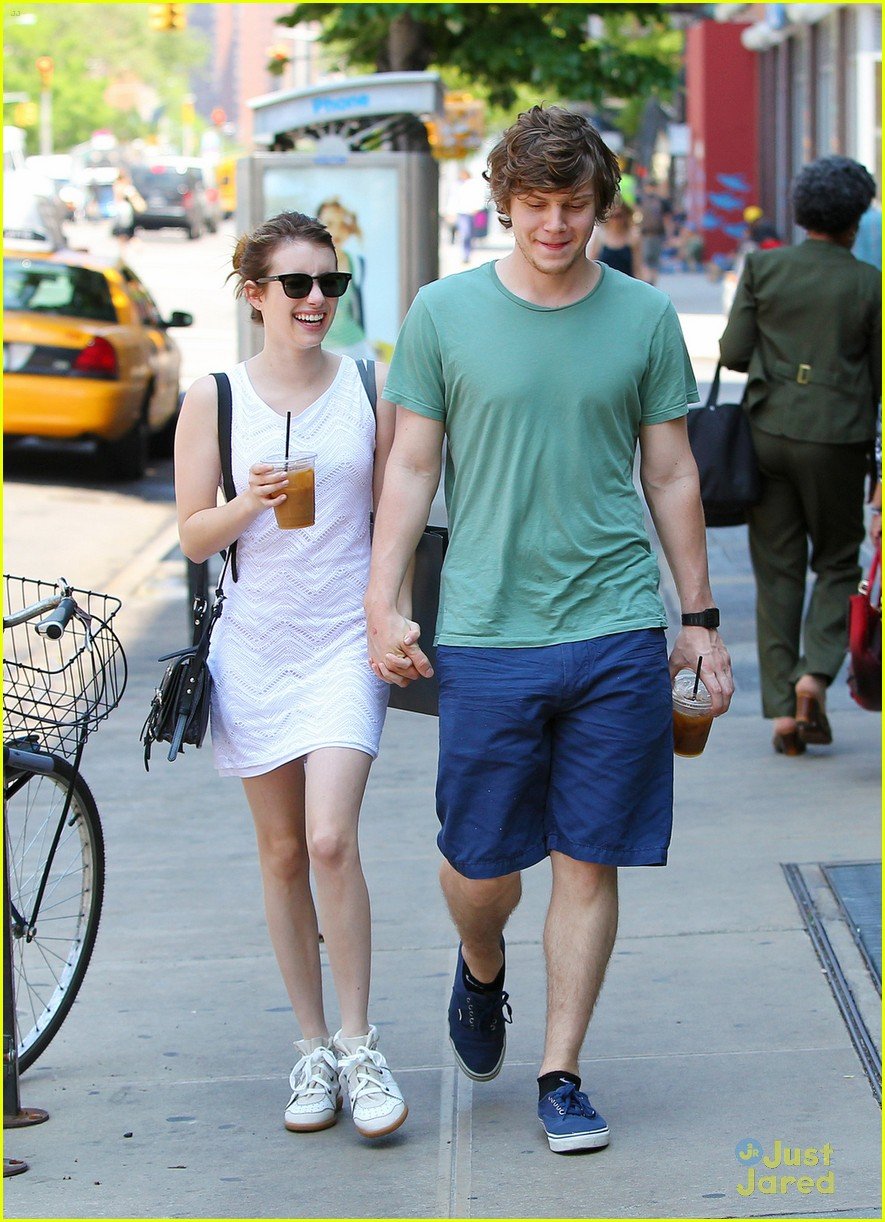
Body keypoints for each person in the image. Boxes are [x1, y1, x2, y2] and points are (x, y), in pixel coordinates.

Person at [364, 105, 733, 1155]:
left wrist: (696, 615)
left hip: (616, 625)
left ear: (600, 206)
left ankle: (561, 1068)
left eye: (575, 206)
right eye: (536, 205)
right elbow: (411, 464)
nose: (557, 226)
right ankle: (482, 966)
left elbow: (669, 471)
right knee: (481, 864)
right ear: (503, 202)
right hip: (484, 628)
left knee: (588, 856)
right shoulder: (443, 313)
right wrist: (381, 595)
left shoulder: (646, 316)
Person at [174, 211, 409, 1140]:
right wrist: (246, 504)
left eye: (331, 284)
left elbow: (398, 508)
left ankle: (360, 1045)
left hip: (342, 645)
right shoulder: (216, 396)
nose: (317, 301)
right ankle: (311, 1051)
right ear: (255, 294)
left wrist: (393, 610)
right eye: (299, 285)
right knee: (278, 855)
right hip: (255, 645)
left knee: (327, 842)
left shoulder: (366, 384)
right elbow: (192, 535)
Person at [719, 156, 881, 756]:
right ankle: (816, 673)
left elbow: (734, 351)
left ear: (798, 211)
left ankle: (784, 714)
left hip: (768, 430)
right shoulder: (870, 283)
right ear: (856, 217)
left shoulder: (764, 267)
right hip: (839, 437)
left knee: (778, 568)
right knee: (838, 561)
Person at [316, 198, 373, 359]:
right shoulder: (307, 263)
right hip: (319, 348)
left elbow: (358, 310)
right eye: (330, 223)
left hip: (353, 346)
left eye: (342, 225)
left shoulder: (356, 263)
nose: (337, 231)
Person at [586, 196, 645, 279]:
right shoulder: (600, 235)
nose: (615, 220)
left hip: (627, 286)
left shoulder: (633, 236)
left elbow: (637, 267)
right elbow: (592, 262)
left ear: (625, 216)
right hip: (605, 286)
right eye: (612, 216)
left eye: (619, 216)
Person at [638, 179, 671, 285]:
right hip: (644, 234)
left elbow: (667, 219)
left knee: (654, 261)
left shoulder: (661, 202)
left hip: (657, 234)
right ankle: (648, 280)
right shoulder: (640, 200)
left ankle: (652, 282)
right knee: (645, 259)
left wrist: (668, 235)